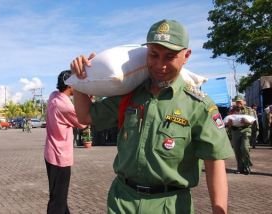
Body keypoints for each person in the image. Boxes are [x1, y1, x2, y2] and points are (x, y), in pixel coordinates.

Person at [71, 19, 233, 214]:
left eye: (169, 57)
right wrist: (79, 79)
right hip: (123, 201)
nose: (160, 65)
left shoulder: (199, 106)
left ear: (186, 55)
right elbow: (85, 116)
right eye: (153, 55)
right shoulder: (130, 94)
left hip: (170, 205)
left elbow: (214, 161)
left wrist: (219, 209)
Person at [44, 70, 87, 214]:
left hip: (50, 154)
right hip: (60, 157)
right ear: (70, 86)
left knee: (57, 195)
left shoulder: (53, 96)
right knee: (58, 201)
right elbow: (83, 122)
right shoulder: (65, 105)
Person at [226, 95, 255, 175]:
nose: (239, 103)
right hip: (235, 131)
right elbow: (228, 123)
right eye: (237, 101)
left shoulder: (249, 110)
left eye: (240, 101)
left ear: (243, 101)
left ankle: (247, 166)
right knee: (237, 150)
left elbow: (252, 121)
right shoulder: (232, 111)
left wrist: (246, 122)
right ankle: (240, 168)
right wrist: (229, 124)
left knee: (244, 148)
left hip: (245, 130)